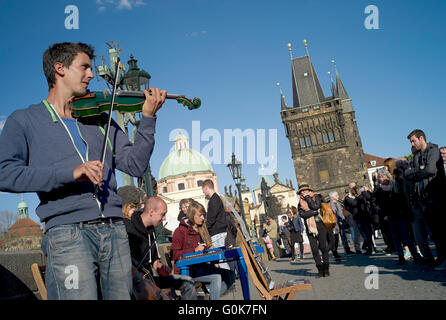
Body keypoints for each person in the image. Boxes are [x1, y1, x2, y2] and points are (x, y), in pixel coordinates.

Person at [0, 42, 166, 300]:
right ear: (60, 69)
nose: (91, 74)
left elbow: (135, 165)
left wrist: (148, 119)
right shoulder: (24, 120)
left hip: (114, 231)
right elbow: (5, 173)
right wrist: (70, 172)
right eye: (84, 67)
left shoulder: (99, 118)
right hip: (67, 234)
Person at [124, 197, 196, 300]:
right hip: (136, 282)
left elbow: (155, 262)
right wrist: (157, 290)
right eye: (162, 214)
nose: (164, 218)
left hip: (150, 278)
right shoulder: (128, 228)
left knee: (188, 282)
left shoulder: (151, 229)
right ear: (151, 212)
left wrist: (162, 268)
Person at [171, 200, 234, 300]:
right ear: (192, 215)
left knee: (230, 274)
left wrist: (210, 249)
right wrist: (195, 250)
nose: (203, 218)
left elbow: (204, 250)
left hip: (200, 267)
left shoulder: (201, 228)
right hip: (186, 270)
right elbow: (175, 254)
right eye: (200, 215)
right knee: (216, 277)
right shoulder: (180, 231)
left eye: (203, 215)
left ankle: (213, 296)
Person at [404, 129, 446, 271]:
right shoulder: (417, 156)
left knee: (440, 231)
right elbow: (407, 174)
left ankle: (443, 259)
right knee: (434, 232)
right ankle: (440, 258)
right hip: (423, 199)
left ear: (421, 138)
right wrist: (418, 170)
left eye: (413, 141)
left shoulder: (433, 150)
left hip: (436, 196)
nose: (412, 144)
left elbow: (430, 170)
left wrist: (417, 171)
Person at [298, 183, 330, 278]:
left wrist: (308, 198)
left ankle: (326, 269)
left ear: (309, 190)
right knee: (315, 250)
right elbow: (302, 215)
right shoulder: (300, 202)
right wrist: (315, 212)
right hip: (310, 228)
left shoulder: (316, 197)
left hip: (320, 225)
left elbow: (315, 206)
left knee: (323, 247)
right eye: (302, 191)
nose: (303, 192)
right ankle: (320, 269)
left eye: (305, 190)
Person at [344, 182, 374, 255]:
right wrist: (353, 211)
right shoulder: (358, 196)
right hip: (359, 217)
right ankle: (370, 248)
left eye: (357, 189)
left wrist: (347, 198)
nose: (356, 190)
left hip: (364, 218)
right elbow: (348, 207)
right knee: (365, 234)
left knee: (366, 234)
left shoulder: (361, 196)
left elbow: (354, 203)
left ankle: (370, 248)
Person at [329, 191, 353, 255]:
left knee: (343, 236)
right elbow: (333, 214)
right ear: (333, 197)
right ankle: (335, 252)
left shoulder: (338, 203)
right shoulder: (330, 204)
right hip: (335, 223)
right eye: (337, 196)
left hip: (340, 222)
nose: (338, 196)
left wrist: (343, 218)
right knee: (335, 238)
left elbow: (340, 212)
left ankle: (347, 250)